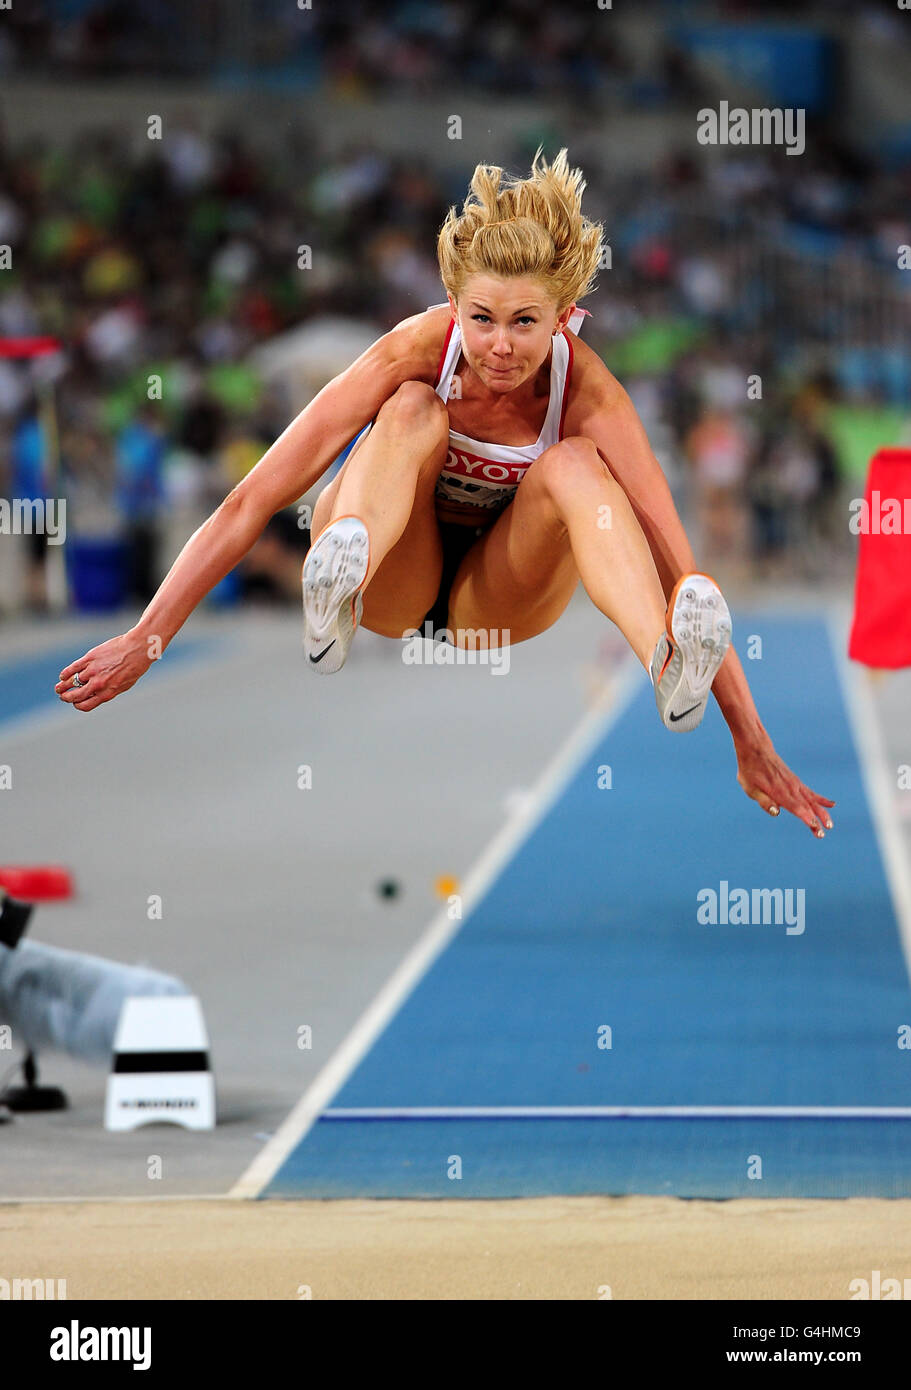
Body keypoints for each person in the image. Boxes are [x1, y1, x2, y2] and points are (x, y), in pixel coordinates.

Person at [56, 149, 834, 838]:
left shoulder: (590, 393)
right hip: (396, 576)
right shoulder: (413, 350)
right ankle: (337, 590)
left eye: (525, 323)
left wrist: (748, 739)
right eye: (482, 319)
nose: (500, 345)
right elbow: (251, 499)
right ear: (453, 306)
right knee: (410, 409)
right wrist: (146, 636)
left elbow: (676, 565)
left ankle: (665, 668)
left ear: (563, 318)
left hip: (495, 598)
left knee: (573, 464)